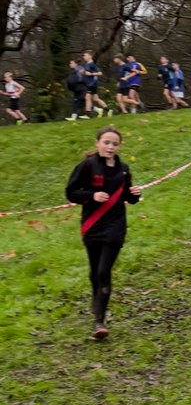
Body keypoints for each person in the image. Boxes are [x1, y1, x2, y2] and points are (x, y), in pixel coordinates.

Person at [65, 127, 141, 340]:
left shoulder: (123, 170)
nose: (110, 147)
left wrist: (135, 194)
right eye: (106, 142)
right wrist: (91, 195)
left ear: (119, 147)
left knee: (103, 271)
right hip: (92, 225)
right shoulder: (87, 166)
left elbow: (128, 196)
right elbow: (71, 193)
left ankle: (99, 320)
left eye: (114, 144)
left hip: (115, 226)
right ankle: (98, 306)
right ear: (98, 143)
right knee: (94, 273)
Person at [82, 51, 108, 117]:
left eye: (85, 55)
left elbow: (100, 73)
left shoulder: (92, 64)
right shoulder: (87, 64)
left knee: (87, 97)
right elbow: (87, 73)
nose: (83, 57)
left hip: (92, 84)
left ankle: (87, 115)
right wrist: (84, 73)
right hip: (91, 84)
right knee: (95, 99)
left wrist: (91, 74)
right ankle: (108, 110)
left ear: (90, 56)